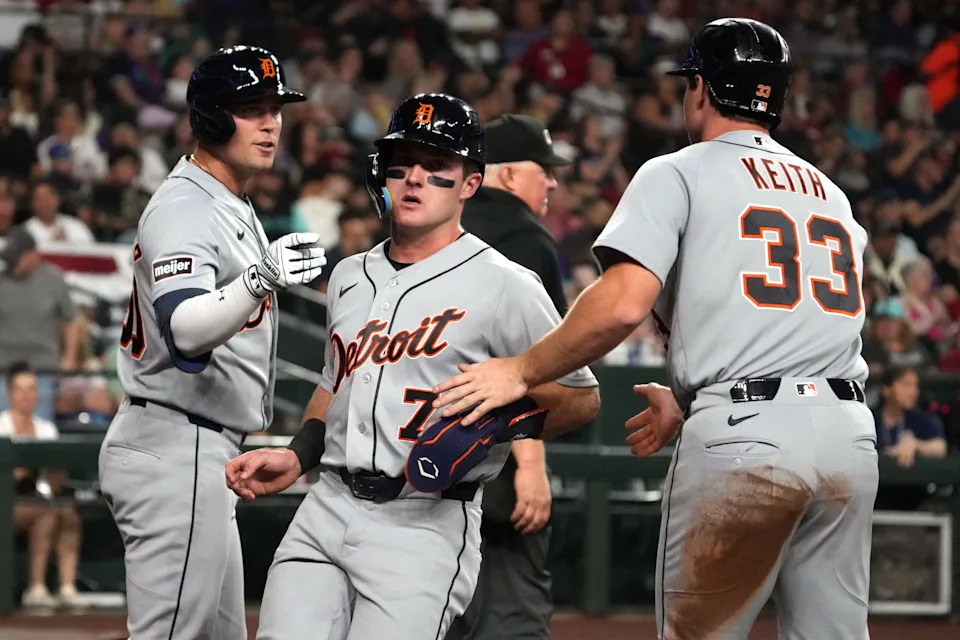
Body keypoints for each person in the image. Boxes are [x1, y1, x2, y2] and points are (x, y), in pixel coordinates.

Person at [433, 19, 879, 639]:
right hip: (848, 433)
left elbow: (621, 305)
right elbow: (804, 319)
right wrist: (695, 396)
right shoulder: (832, 193)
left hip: (744, 436)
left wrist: (521, 369)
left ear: (699, 87)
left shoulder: (680, 170)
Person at [225, 93, 601, 640]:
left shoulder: (507, 284)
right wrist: (297, 454)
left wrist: (505, 416)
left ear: (471, 183)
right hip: (326, 504)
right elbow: (334, 384)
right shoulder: (350, 275)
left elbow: (582, 396)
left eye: (437, 166)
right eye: (402, 164)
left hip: (424, 521)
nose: (415, 179)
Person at [97, 46, 325, 640]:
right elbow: (184, 331)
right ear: (213, 118)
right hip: (176, 443)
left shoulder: (226, 200)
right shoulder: (186, 206)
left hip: (200, 448)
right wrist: (258, 279)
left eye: (275, 108)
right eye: (252, 109)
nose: (271, 122)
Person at [447, 113, 571, 640]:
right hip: (495, 462)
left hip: (423, 461)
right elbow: (529, 367)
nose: (552, 181)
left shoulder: (435, 233)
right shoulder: (524, 239)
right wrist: (531, 465)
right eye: (542, 169)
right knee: (511, 620)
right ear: (507, 175)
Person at [1, 361, 83, 610]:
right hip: (8, 504)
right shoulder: (1, 425)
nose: (26, 395)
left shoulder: (46, 429)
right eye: (20, 389)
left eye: (31, 389)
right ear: (10, 393)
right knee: (45, 514)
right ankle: (36, 587)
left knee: (68, 513)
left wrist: (56, 472)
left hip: (40, 498)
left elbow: (55, 483)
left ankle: (67, 588)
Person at [0, 225, 81, 421]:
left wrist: (69, 357)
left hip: (42, 370)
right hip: (3, 371)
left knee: (39, 430)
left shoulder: (53, 280)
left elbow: (71, 320)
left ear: (33, 254)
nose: (12, 262)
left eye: (16, 256)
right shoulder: (2, 281)